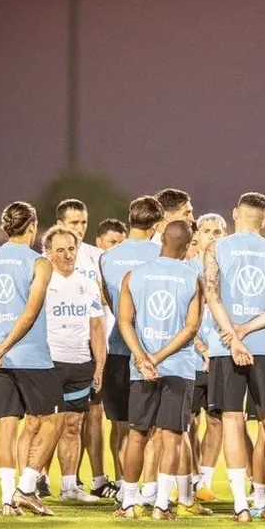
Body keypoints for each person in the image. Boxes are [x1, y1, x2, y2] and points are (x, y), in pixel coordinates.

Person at [0, 201, 63, 517]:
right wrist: (2, 348)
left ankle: (8, 500)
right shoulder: (40, 263)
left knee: (6, 428)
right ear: (32, 226)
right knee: (53, 421)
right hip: (31, 358)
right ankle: (27, 488)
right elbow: (30, 313)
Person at [203, 192, 265, 522]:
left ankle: (241, 506)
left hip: (226, 346)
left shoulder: (216, 248)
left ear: (234, 214)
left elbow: (211, 295)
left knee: (231, 421)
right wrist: (249, 329)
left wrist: (233, 335)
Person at [115, 220, 203, 520]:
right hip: (178, 367)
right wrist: (159, 356)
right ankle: (162, 505)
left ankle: (128, 503)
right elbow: (191, 328)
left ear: (162, 238)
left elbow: (124, 321)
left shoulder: (134, 275)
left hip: (142, 369)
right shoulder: (193, 278)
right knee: (172, 437)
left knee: (137, 434)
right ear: (188, 244)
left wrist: (143, 357)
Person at [14, 225, 106, 503]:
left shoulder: (88, 284)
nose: (67, 255)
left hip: (79, 362)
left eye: (71, 249)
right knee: (35, 424)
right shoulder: (41, 282)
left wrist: (99, 365)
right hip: (47, 362)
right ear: (48, 253)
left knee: (73, 425)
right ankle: (27, 483)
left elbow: (97, 328)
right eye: (60, 250)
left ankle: (69, 488)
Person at [98, 197, 163, 502]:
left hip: (119, 348)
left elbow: (112, 303)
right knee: (150, 430)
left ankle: (126, 489)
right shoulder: (163, 253)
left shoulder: (108, 256)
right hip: (154, 351)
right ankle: (148, 490)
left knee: (123, 427)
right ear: (157, 223)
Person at [54, 198, 117, 499]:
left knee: (93, 413)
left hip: (91, 347)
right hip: (57, 348)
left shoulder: (95, 257)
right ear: (60, 224)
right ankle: (43, 478)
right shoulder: (47, 260)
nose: (79, 228)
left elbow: (106, 298)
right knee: (51, 417)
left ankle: (98, 478)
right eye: (73, 222)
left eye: (83, 222)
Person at [188, 214, 227, 503]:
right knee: (188, 421)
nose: (213, 235)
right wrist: (203, 347)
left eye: (218, 231)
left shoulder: (230, 272)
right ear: (197, 236)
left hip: (221, 357)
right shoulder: (186, 270)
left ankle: (205, 480)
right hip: (189, 359)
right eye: (207, 230)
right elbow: (179, 320)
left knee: (217, 421)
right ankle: (188, 477)